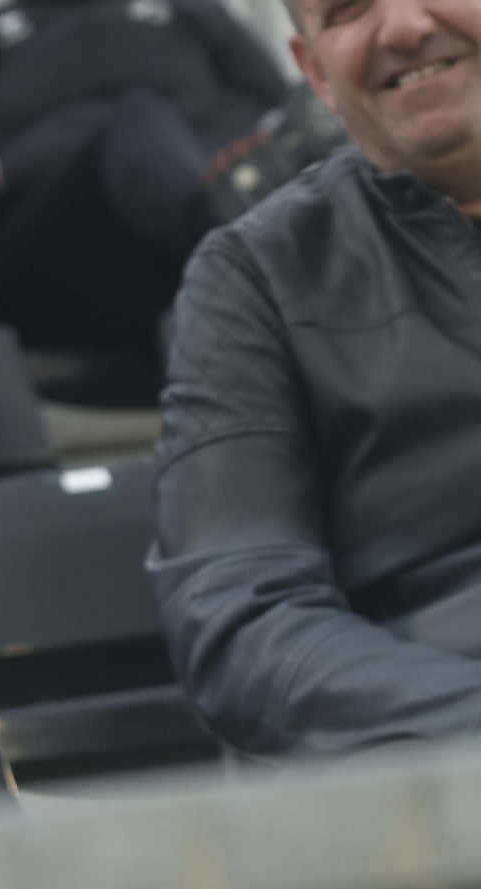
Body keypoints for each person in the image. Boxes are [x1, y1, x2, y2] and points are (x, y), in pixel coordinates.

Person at [149, 0, 481, 754]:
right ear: (315, 72)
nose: (403, 27)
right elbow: (244, 624)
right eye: (349, 8)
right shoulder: (258, 277)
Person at [0, 0, 339, 353]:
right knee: (136, 119)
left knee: (320, 121)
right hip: (63, 241)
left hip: (216, 178)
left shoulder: (192, 12)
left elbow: (282, 114)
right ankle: (231, 241)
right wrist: (6, 169)